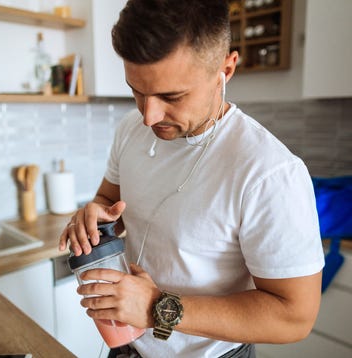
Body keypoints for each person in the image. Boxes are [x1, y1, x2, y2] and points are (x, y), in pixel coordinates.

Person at [59, 1, 325, 357]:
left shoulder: (270, 172)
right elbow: (108, 202)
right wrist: (93, 214)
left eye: (172, 96)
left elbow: (293, 317)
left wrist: (157, 308)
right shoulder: (130, 130)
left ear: (226, 69)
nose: (149, 116)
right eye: (137, 91)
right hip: (127, 346)